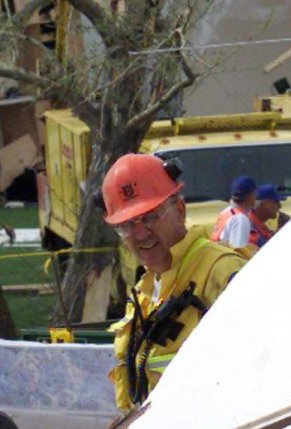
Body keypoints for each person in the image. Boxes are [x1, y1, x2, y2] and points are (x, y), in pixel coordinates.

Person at [104, 153, 246, 413]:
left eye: (149, 216)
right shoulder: (144, 290)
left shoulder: (221, 271)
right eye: (126, 225)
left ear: (179, 211)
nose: (140, 233)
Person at [209, 175, 270, 252]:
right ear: (250, 196)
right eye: (255, 194)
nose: (256, 198)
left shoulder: (226, 212)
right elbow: (239, 252)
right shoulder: (240, 219)